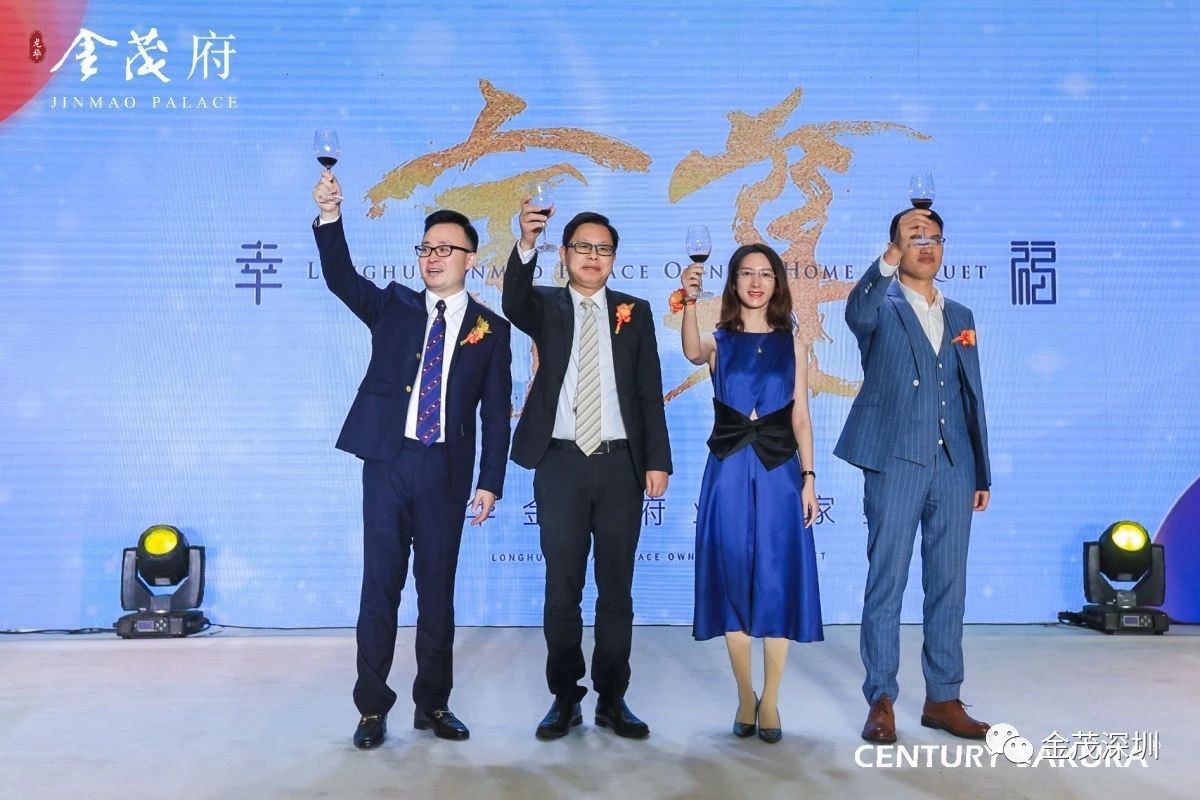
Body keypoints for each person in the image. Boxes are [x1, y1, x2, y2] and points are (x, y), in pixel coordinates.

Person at [311, 169, 512, 749]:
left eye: (446, 249)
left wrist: (490, 482)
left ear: (471, 259)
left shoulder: (491, 330)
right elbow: (341, 277)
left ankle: (434, 704)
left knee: (437, 594)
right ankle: (371, 709)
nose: (433, 257)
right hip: (387, 462)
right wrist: (330, 217)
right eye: (426, 248)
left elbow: (496, 415)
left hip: (446, 471)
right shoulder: (394, 306)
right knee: (380, 588)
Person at [502, 198, 672, 740]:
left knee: (616, 590)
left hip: (621, 465)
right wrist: (525, 243)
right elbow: (511, 300)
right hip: (559, 463)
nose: (593, 256)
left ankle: (613, 698)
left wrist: (657, 460)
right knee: (562, 589)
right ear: (565, 254)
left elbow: (649, 391)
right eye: (583, 247)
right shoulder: (544, 304)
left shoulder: (635, 311)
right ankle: (565, 697)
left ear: (614, 258)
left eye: (603, 249)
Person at [834, 208, 992, 744]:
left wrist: (981, 471)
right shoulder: (880, 306)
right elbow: (856, 312)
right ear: (896, 247)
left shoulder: (961, 314)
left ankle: (943, 697)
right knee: (888, 581)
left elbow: (971, 396)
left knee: (949, 583)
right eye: (914, 237)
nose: (926, 245)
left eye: (934, 238)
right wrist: (887, 259)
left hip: (954, 465)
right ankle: (881, 698)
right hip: (896, 462)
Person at [677, 244, 823, 744]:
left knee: (778, 578)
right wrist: (689, 300)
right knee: (732, 576)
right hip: (729, 469)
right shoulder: (718, 341)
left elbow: (800, 415)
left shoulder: (793, 343)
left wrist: (810, 477)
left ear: (777, 283)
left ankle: (772, 700)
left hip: (781, 471)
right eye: (746, 273)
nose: (756, 282)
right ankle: (745, 695)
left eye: (765, 274)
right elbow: (691, 352)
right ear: (734, 281)